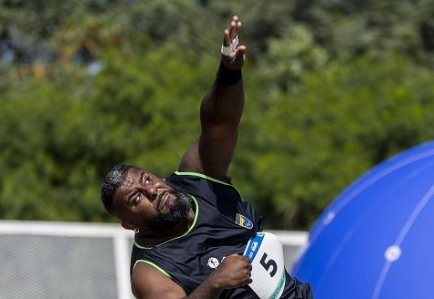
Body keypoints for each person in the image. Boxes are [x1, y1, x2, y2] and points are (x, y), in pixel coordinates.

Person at [100, 16, 313, 298]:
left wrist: (229, 71)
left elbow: (219, 123)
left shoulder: (198, 177)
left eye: (147, 179)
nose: (152, 191)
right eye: (137, 198)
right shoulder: (149, 271)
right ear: (130, 224)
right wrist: (214, 283)